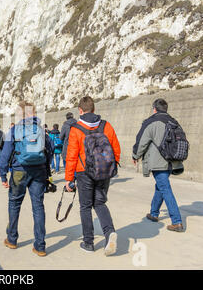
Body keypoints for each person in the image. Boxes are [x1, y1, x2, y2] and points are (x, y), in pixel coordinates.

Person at [65, 96, 120, 256]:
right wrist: (111, 166)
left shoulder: (76, 129)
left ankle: (88, 242)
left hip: (84, 172)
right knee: (100, 203)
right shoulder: (106, 125)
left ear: (80, 111)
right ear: (94, 109)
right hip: (104, 171)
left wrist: (69, 178)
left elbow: (72, 155)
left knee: (85, 206)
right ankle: (109, 233)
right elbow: (116, 148)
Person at [0, 101, 53, 257]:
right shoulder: (42, 130)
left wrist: (3, 174)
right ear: (33, 113)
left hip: (19, 171)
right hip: (38, 171)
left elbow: (5, 153)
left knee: (14, 203)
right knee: (38, 206)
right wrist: (46, 170)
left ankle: (12, 239)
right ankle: (40, 246)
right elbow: (49, 151)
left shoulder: (15, 130)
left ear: (20, 114)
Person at [132, 98, 185, 232]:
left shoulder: (151, 121)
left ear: (154, 109)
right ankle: (154, 213)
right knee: (161, 186)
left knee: (165, 188)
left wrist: (135, 155)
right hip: (172, 161)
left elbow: (141, 141)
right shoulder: (173, 121)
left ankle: (177, 221)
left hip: (158, 161)